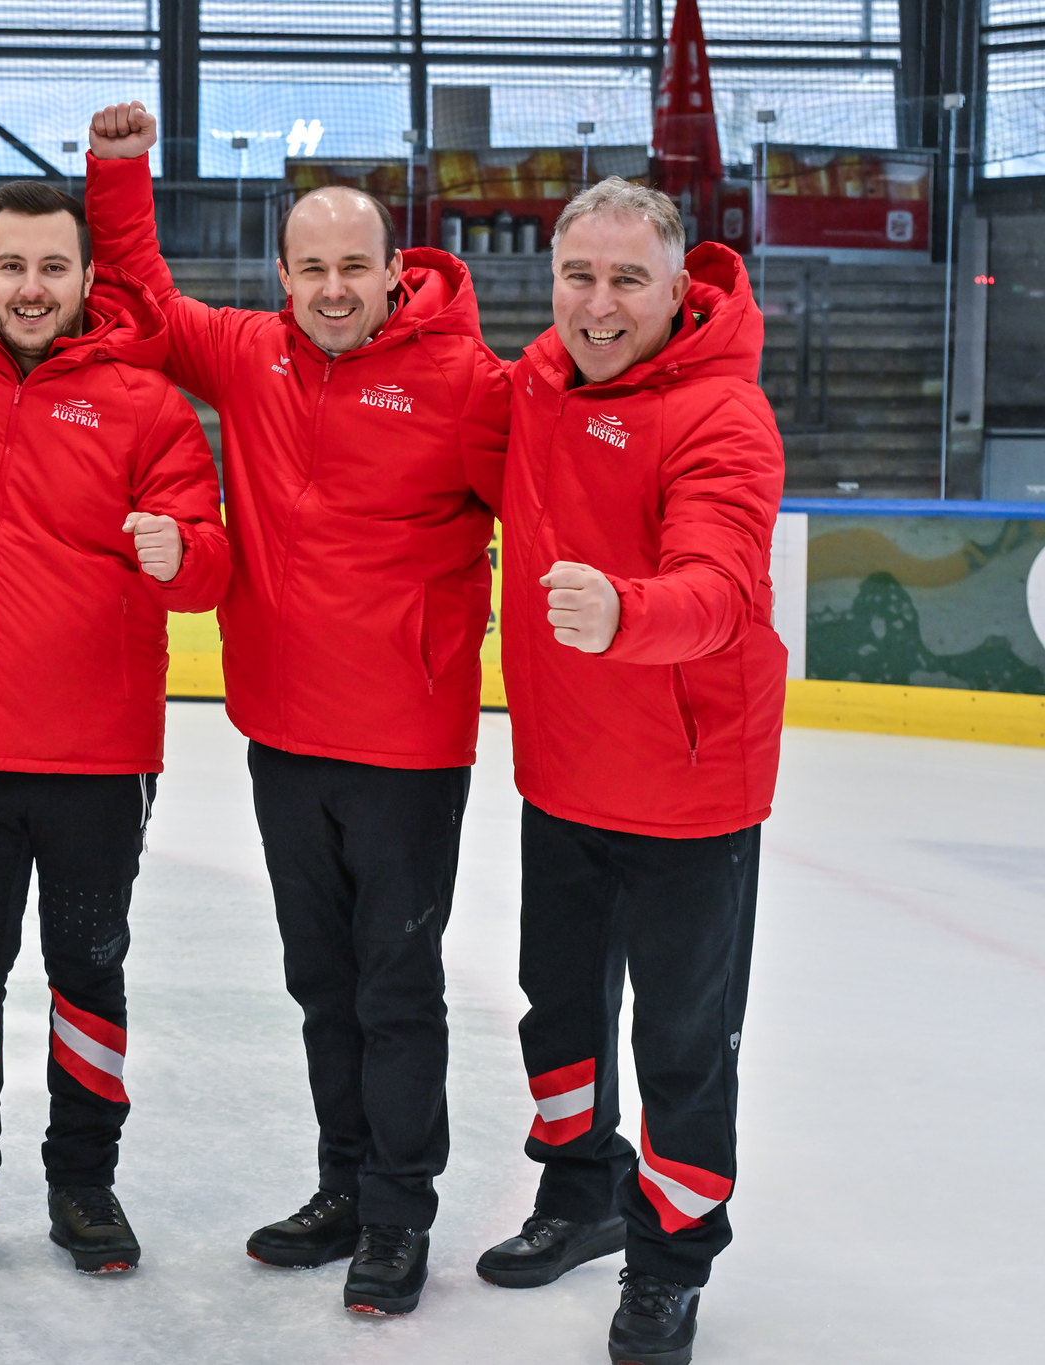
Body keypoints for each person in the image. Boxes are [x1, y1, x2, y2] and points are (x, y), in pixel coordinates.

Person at [86, 103, 508, 1314]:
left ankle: (397, 1213)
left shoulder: (467, 385)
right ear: (282, 275)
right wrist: (118, 172)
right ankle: (342, 1186)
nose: (331, 289)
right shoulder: (248, 356)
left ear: (395, 272)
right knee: (319, 981)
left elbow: (547, 509)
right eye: (309, 268)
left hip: (405, 747)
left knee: (392, 985)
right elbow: (144, 300)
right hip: (281, 733)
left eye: (352, 268)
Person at [0, 181, 227, 1275]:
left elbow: (206, 564)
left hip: (96, 761)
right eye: (12, 267)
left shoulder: (148, 403)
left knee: (87, 976)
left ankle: (83, 1186)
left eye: (52, 268)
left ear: (85, 279)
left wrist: (181, 557)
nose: (32, 288)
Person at [478, 178, 785, 1365]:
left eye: (625, 281)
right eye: (576, 277)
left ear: (674, 289)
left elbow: (717, 585)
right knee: (555, 1013)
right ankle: (579, 1192)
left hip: (685, 793)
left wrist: (624, 612)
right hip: (561, 775)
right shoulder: (535, 387)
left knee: (679, 1044)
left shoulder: (722, 415)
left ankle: (667, 1261)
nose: (596, 305)